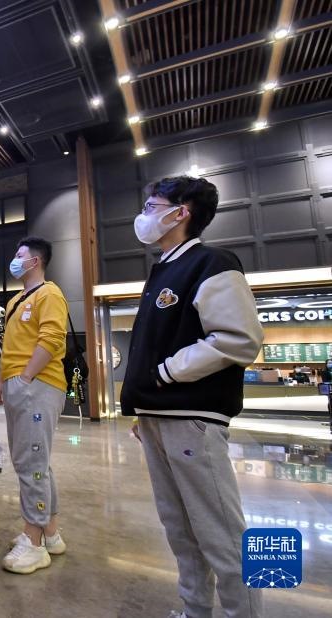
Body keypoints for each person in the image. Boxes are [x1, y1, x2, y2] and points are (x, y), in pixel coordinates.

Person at [123, 176, 263, 618]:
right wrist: (144, 405)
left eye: (152, 206)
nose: (144, 215)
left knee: (220, 532)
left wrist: (167, 373)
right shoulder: (162, 270)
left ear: (181, 212)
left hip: (193, 417)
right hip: (158, 417)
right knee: (179, 527)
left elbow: (239, 338)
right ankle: (195, 609)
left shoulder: (212, 262)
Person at [0, 236, 68, 574]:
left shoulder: (49, 294)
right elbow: (9, 346)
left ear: (35, 261)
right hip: (17, 384)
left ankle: (33, 542)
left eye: (19, 254)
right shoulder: (15, 301)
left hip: (38, 385)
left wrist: (24, 378)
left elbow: (51, 340)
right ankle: (50, 533)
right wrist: (1, 381)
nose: (14, 259)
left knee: (31, 462)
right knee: (36, 461)